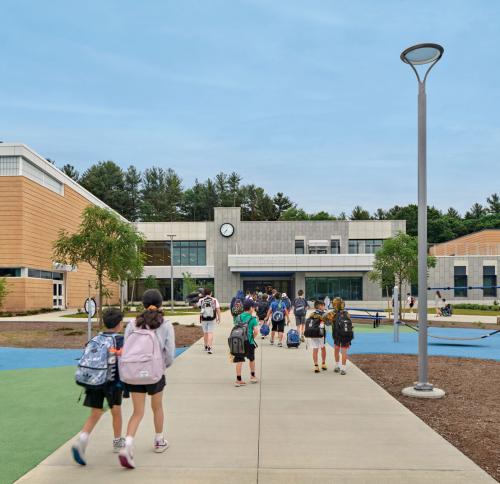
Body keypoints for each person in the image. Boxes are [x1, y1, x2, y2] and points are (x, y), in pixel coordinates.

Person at [118, 289, 175, 469]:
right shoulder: (165, 324)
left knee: (137, 412)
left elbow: (126, 348)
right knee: (157, 407)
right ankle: (159, 441)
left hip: (135, 373)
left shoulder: (132, 324)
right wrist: (162, 366)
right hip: (155, 373)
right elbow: (170, 353)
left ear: (142, 304)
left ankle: (127, 445)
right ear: (161, 303)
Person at [71, 308, 125, 466]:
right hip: (112, 382)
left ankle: (81, 440)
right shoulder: (120, 340)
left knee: (95, 412)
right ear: (120, 324)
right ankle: (117, 442)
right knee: (116, 411)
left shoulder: (96, 338)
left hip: (93, 380)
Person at [233, 299, 259, 387]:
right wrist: (252, 338)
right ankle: (252, 376)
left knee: (239, 360)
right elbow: (256, 331)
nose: (254, 308)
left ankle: (238, 380)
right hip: (249, 341)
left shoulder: (238, 317)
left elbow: (235, 327)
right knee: (251, 359)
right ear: (251, 308)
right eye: (254, 307)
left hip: (238, 341)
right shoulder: (253, 319)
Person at [332, 299, 354, 375]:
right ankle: (343, 368)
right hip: (346, 335)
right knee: (344, 351)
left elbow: (328, 323)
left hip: (337, 335)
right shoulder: (347, 313)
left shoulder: (334, 313)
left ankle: (337, 366)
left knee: (336, 350)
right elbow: (351, 325)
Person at [197, 288, 221, 354]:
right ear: (211, 293)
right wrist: (219, 318)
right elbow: (218, 309)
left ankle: (205, 346)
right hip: (212, 318)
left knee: (205, 333)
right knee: (210, 332)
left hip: (203, 319)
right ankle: (210, 347)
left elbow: (199, 307)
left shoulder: (201, 300)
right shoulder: (214, 300)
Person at [307, 300, 328, 373]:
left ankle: (316, 366)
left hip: (312, 333)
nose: (324, 307)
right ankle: (323, 363)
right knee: (323, 347)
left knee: (315, 349)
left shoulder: (312, 314)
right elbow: (328, 323)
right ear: (320, 306)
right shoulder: (324, 314)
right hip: (320, 333)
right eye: (323, 305)